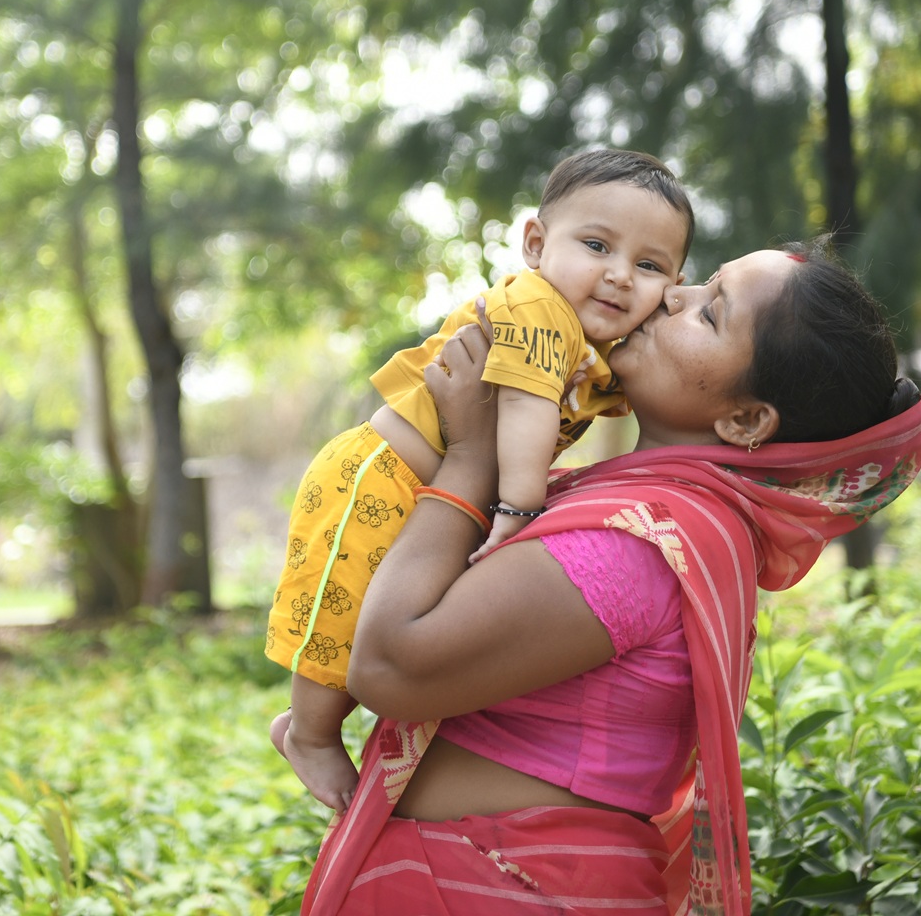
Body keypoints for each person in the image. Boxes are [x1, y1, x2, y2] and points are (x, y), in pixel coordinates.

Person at [301, 242, 921, 916]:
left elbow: (390, 666)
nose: (672, 294)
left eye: (710, 313)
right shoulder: (659, 514)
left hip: (504, 888)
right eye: (703, 282)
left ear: (745, 420)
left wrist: (470, 456)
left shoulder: (638, 540)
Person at [267, 150, 697, 812]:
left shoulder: (597, 346)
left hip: (440, 489)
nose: (618, 275)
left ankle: (318, 727)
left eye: (648, 265)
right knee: (343, 607)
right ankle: (309, 733)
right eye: (596, 246)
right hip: (380, 475)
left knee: (385, 608)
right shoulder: (539, 308)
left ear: (672, 285)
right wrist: (519, 510)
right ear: (536, 244)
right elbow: (525, 406)